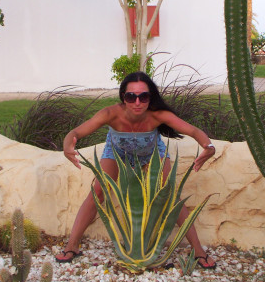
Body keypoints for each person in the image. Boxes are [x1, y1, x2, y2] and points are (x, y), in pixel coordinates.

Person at [55, 71, 217, 269]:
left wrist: (209, 147)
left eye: (144, 96)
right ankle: (72, 246)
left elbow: (193, 130)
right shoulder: (110, 114)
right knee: (98, 192)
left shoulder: (157, 115)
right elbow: (76, 132)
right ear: (123, 97)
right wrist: (67, 146)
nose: (137, 102)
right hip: (117, 152)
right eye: (131, 97)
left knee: (169, 195)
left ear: (150, 97)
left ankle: (198, 250)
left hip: (151, 153)